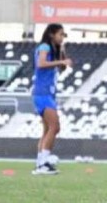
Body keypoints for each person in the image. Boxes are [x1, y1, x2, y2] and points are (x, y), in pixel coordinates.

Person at [31, 23, 72, 176]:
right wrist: (61, 62)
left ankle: (41, 162)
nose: (62, 37)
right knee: (55, 127)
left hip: (47, 93)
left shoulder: (53, 50)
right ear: (51, 34)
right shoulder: (44, 47)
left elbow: (61, 68)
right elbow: (40, 64)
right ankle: (43, 163)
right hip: (43, 93)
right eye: (60, 34)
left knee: (47, 130)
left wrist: (61, 54)